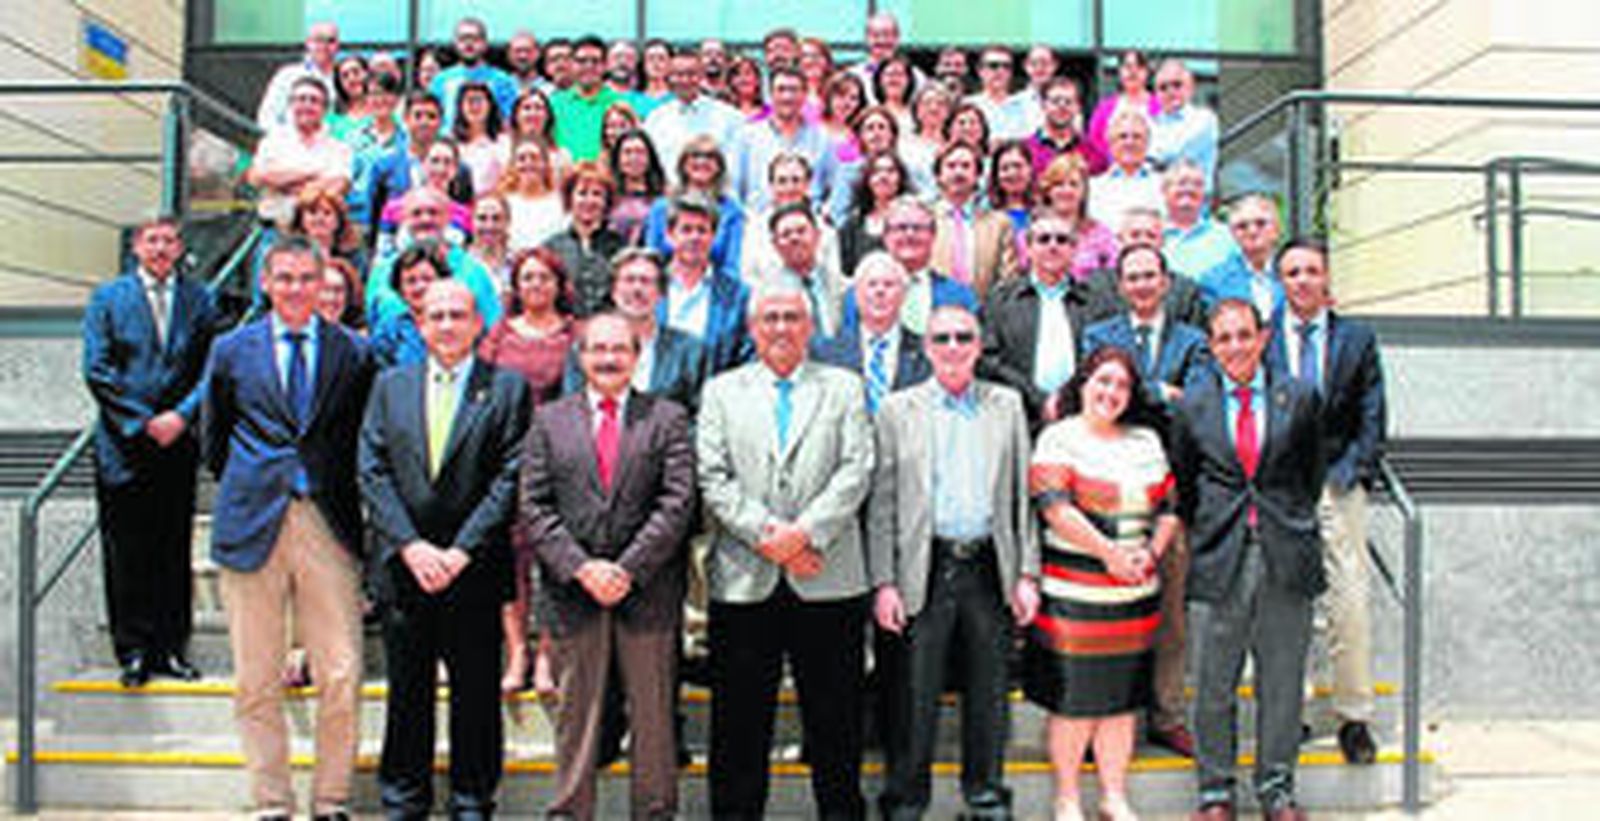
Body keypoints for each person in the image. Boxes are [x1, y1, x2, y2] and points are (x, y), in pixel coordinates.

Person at [202, 236, 374, 821]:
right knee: (255, 676)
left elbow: (358, 437)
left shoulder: (352, 352)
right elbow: (214, 440)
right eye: (286, 278)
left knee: (341, 671)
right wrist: (257, 483)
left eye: (308, 278)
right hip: (254, 522)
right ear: (267, 284)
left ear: (324, 283)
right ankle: (271, 801)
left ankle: (330, 800)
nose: (297, 289)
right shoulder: (230, 349)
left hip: (327, 521)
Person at [696, 282, 875, 820]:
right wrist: (769, 536)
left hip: (828, 577)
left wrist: (805, 535)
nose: (780, 327)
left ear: (810, 325)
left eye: (791, 317)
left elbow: (856, 468)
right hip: (746, 580)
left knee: (836, 722)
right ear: (752, 328)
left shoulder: (844, 387)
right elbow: (713, 474)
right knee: (739, 725)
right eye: (769, 317)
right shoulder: (722, 391)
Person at [359, 279, 529, 821]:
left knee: (477, 694)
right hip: (405, 569)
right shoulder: (389, 386)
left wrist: (460, 551)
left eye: (459, 314)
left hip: (473, 571)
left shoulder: (506, 388)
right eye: (437, 315)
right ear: (420, 323)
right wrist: (410, 545)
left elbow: (511, 476)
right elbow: (373, 469)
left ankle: (472, 798)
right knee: (408, 693)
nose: (448, 324)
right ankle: (404, 799)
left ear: (480, 323)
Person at [520, 312, 697, 820]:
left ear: (637, 356)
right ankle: (569, 812)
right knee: (577, 718)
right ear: (581, 357)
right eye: (597, 350)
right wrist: (582, 569)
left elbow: (677, 502)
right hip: (574, 594)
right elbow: (534, 506)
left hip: (648, 593)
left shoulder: (667, 418)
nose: (608, 359)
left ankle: (656, 812)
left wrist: (627, 569)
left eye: (619, 350)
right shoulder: (549, 421)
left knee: (653, 717)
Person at [870, 305, 1039, 821]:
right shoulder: (898, 410)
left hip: (989, 566)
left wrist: (1027, 573)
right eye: (941, 337)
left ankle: (986, 797)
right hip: (925, 567)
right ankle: (905, 800)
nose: (952, 346)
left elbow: (1022, 497)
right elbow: (882, 504)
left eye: (963, 337)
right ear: (925, 347)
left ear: (978, 344)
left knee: (989, 693)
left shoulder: (1006, 405)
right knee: (913, 697)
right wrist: (884, 582)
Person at [1170, 299, 1326, 821]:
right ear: (1211, 347)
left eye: (1243, 335)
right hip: (1220, 557)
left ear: (1262, 338)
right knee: (1213, 683)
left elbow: (1311, 475)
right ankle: (1216, 792)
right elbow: (1186, 484)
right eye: (1223, 338)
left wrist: (1285, 521)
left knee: (1281, 684)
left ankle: (1276, 790)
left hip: (1286, 554)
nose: (1235, 346)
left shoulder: (1299, 397)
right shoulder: (1193, 405)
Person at [1026, 345, 1179, 821]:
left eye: (1121, 385)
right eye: (1102, 381)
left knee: (1121, 701)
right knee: (1075, 702)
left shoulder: (1146, 442)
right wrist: (1109, 554)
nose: (1110, 392)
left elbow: (1170, 510)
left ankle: (1114, 797)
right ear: (1084, 384)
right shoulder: (1057, 438)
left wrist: (1149, 555)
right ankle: (1068, 799)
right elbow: (1056, 508)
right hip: (1074, 597)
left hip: (1133, 595)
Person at [1081, 245, 1210, 760]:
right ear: (1119, 284)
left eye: (1148, 276)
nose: (1140, 284)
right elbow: (1094, 400)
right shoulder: (1098, 336)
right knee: (1106, 614)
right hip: (1106, 491)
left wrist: (1136, 391)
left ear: (1165, 281)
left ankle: (1167, 714)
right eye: (1131, 277)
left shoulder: (1193, 340)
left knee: (1171, 613)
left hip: (1170, 495)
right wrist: (1161, 391)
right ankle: (1109, 714)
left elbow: (1198, 404)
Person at [1266, 238, 1387, 767]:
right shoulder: (1262, 335)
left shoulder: (1356, 337)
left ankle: (1354, 715)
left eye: (1311, 270)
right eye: (1291, 272)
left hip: (1337, 484)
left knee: (1348, 601)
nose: (1302, 280)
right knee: (1282, 606)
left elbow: (1373, 410)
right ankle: (1288, 712)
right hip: (1278, 488)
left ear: (1326, 278)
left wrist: (1355, 471)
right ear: (1280, 280)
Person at [83, 217, 217, 687]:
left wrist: (181, 416)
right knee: (127, 552)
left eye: (170, 240)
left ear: (180, 248)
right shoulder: (108, 298)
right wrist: (143, 422)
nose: (161, 248)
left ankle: (170, 649)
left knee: (171, 549)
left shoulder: (199, 299)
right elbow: (98, 369)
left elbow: (209, 367)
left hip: (178, 444)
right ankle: (134, 651)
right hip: (124, 447)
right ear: (137, 247)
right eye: (152, 240)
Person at [979, 211, 1090, 428]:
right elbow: (988, 359)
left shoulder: (1092, 300)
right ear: (1028, 249)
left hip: (1080, 417)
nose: (1053, 246)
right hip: (1016, 417)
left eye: (1062, 240)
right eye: (1043, 239)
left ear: (1074, 249)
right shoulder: (1001, 299)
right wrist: (1038, 399)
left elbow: (1099, 358)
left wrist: (1067, 397)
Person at [568, 248, 711, 413]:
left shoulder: (690, 351)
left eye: (646, 281)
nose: (637, 289)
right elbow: (572, 412)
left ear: (661, 293)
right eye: (629, 280)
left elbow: (699, 415)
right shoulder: (585, 347)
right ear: (613, 290)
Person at [811, 251, 932, 410]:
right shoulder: (827, 354)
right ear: (855, 293)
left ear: (903, 295)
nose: (879, 291)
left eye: (889, 284)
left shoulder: (927, 352)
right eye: (871, 284)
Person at [840, 196, 977, 336]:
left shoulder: (960, 296)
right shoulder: (859, 295)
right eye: (901, 228)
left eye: (918, 228)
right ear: (885, 236)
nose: (909, 234)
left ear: (933, 235)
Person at [662, 195, 752, 375]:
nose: (694, 238)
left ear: (713, 237)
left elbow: (746, 356)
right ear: (670, 236)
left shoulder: (736, 295)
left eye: (702, 230)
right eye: (686, 230)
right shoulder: (648, 286)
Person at [731, 67, 838, 215]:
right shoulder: (746, 136)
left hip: (808, 225)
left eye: (794, 90)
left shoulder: (823, 138)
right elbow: (733, 190)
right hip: (758, 225)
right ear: (770, 95)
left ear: (804, 95)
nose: (787, 97)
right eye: (781, 90)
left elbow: (834, 188)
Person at [248, 77, 352, 229]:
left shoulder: (339, 147)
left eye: (314, 100)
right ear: (291, 104)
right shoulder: (272, 142)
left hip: (320, 232)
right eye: (301, 99)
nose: (307, 105)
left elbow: (339, 185)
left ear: (325, 109)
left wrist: (282, 184)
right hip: (273, 230)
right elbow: (258, 177)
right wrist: (313, 173)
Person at [642, 134, 746, 275]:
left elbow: (731, 264)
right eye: (695, 156)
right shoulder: (661, 208)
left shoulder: (732, 210)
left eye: (710, 157)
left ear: (719, 167)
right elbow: (651, 257)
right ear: (683, 164)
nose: (702, 161)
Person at [929, 141, 1018, 301]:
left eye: (965, 166)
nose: (958, 172)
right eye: (951, 166)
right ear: (938, 175)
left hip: (983, 315)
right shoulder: (923, 219)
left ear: (977, 176)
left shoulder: (1000, 224)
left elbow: (1008, 280)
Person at [540, 160, 628, 318]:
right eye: (582, 193)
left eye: (597, 194)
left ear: (606, 202)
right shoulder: (551, 248)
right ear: (570, 199)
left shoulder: (622, 248)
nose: (589, 201)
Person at [643, 49, 743, 187]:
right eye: (678, 75)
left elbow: (737, 168)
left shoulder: (729, 117)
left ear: (701, 76)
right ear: (669, 77)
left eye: (691, 74)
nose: (685, 80)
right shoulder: (656, 119)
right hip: (670, 200)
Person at [1199, 193, 1287, 323]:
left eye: (1260, 223)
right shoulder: (1214, 281)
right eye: (1242, 226)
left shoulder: (1295, 271)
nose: (1252, 231)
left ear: (1277, 229)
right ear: (1233, 234)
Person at [765, 202, 849, 338]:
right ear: (775, 244)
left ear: (817, 236)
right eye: (786, 234)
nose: (794, 238)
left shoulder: (842, 287)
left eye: (801, 231)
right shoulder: (767, 294)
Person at [371, 241, 451, 370]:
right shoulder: (389, 330)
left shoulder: (458, 323)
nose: (420, 286)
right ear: (400, 289)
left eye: (427, 279)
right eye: (411, 281)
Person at [1038, 153, 1118, 280]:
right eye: (1059, 184)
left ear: (1083, 191)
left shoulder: (1101, 234)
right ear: (1048, 190)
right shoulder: (1033, 232)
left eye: (1073, 184)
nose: (1066, 190)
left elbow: (1113, 277)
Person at [431, 17, 519, 130]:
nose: (469, 43)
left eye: (474, 38)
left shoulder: (502, 80)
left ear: (485, 43)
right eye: (463, 39)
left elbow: (510, 120)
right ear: (455, 43)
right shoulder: (441, 80)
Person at [838, 150, 912, 279]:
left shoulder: (913, 218)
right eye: (876, 172)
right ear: (867, 179)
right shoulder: (853, 223)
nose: (883, 176)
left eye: (891, 171)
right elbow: (846, 270)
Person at [1088, 108, 1163, 232]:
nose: (1129, 142)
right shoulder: (1093, 187)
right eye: (1122, 136)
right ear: (1111, 143)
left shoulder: (1164, 185)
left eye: (1137, 137)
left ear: (1147, 143)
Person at [1161, 160, 1237, 279]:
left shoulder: (1228, 236)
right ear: (1164, 191)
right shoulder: (1150, 235)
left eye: (1197, 184)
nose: (1189, 189)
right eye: (1182, 183)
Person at [551, 36, 623, 162]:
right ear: (571, 64)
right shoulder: (554, 103)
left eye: (595, 61)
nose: (588, 66)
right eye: (581, 61)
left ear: (606, 66)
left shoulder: (619, 103)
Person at [257, 21, 338, 130]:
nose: (324, 46)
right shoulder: (287, 76)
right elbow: (266, 118)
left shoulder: (345, 77)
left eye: (330, 41)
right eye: (319, 40)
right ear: (308, 43)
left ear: (337, 45)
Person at [1150, 59, 1219, 185]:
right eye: (1163, 88)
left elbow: (1172, 154)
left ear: (1191, 87)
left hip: (1193, 199)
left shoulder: (1204, 119)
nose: (1170, 91)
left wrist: (1150, 158)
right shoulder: (1150, 123)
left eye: (1177, 84)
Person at [1025, 76, 1108, 179]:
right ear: (1043, 105)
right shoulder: (1026, 150)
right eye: (1055, 101)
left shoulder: (1094, 154)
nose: (1062, 106)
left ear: (1078, 107)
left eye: (1068, 101)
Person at [1087, 49, 1159, 163]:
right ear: (1119, 71)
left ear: (1147, 72)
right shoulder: (1105, 109)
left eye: (1139, 66)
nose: (1133, 72)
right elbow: (1094, 143)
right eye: (1127, 67)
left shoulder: (1161, 106)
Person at [500, 137, 567, 251]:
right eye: (521, 159)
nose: (528, 163)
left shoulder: (561, 202)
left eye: (534, 158)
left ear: (545, 164)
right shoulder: (504, 203)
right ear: (513, 166)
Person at [608, 128, 668, 244]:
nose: (634, 158)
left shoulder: (665, 196)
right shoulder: (608, 195)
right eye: (627, 152)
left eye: (640, 152)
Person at [453, 81, 512, 195]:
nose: (475, 106)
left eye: (479, 101)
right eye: (470, 101)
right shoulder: (453, 143)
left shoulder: (504, 143)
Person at [967, 46, 1031, 142]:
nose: (1000, 71)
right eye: (993, 65)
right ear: (980, 70)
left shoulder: (1027, 106)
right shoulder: (967, 105)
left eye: (1006, 66)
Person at [901, 84, 954, 194]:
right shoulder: (902, 145)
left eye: (940, 104)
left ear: (948, 112)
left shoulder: (955, 146)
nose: (933, 108)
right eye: (927, 103)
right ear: (916, 110)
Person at [466, 193, 513, 293]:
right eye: (482, 218)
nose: (489, 226)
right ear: (471, 221)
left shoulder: (517, 262)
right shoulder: (461, 263)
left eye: (496, 218)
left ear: (508, 222)